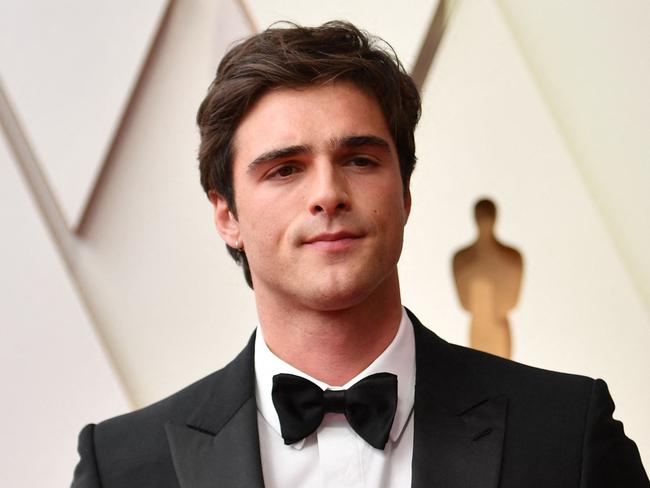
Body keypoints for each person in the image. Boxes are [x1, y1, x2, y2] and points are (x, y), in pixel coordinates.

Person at [71, 21, 648, 488]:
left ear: (405, 194)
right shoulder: (122, 466)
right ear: (227, 216)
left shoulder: (564, 432)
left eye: (360, 159)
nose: (327, 194)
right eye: (285, 169)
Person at [453, 198, 523, 359]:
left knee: (497, 374)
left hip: (493, 328)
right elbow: (466, 304)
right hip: (481, 328)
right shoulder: (512, 259)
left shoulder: (511, 259)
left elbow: (511, 302)